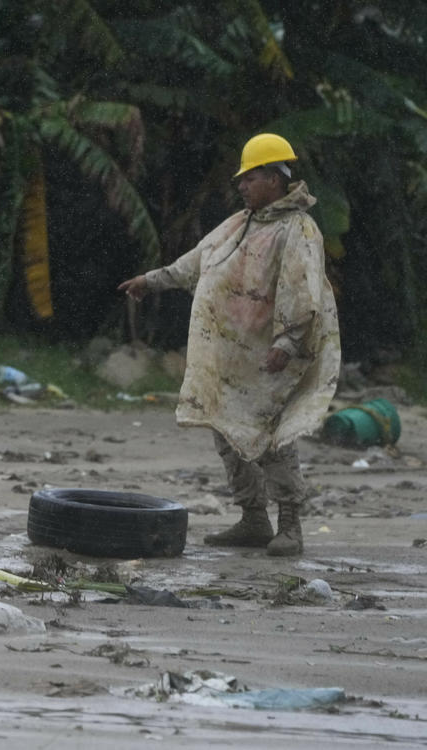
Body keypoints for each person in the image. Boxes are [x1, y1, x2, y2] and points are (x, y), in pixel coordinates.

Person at [117, 133, 341, 557]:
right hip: (228, 355)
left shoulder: (298, 230)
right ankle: (254, 518)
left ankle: (290, 524)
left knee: (271, 437)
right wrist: (152, 280)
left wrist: (288, 343)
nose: (241, 186)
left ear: (274, 179)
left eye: (250, 178)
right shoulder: (240, 224)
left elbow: (302, 291)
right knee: (226, 432)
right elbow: (195, 262)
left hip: (271, 355)